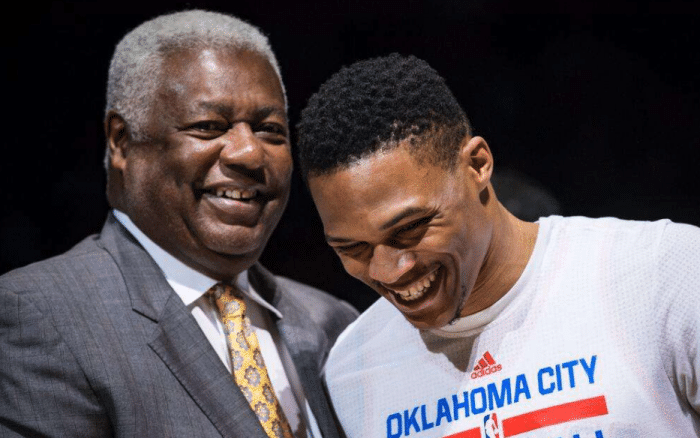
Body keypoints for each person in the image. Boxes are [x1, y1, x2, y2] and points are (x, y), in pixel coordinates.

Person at [296, 53, 700, 437]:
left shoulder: (663, 272)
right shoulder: (351, 373)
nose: (388, 270)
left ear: (477, 165)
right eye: (353, 249)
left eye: (411, 228)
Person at [0, 10, 357, 438]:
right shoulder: (40, 314)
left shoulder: (334, 324)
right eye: (208, 127)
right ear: (121, 141)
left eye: (269, 129)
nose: (249, 152)